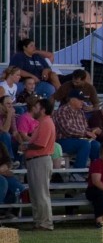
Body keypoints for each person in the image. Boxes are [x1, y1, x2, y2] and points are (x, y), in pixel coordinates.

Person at [20, 97, 55, 231]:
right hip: (37, 160)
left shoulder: (46, 122)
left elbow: (41, 144)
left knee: (40, 193)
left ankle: (45, 223)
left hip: (40, 160)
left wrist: (26, 147)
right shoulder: (43, 122)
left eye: (36, 107)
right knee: (36, 194)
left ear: (43, 110)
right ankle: (39, 222)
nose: (34, 109)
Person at [54, 90, 101, 171]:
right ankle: (78, 170)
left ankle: (95, 171)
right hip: (64, 141)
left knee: (96, 144)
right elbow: (67, 130)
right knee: (85, 144)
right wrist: (86, 133)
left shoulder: (80, 112)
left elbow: (85, 128)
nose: (82, 102)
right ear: (72, 100)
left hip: (79, 140)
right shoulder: (62, 111)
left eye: (83, 100)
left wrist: (93, 130)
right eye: (80, 100)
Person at [0, 136, 25, 219]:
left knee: (18, 188)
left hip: (3, 172)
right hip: (2, 174)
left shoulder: (1, 144)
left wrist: (5, 167)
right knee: (3, 182)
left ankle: (7, 210)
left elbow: (8, 161)